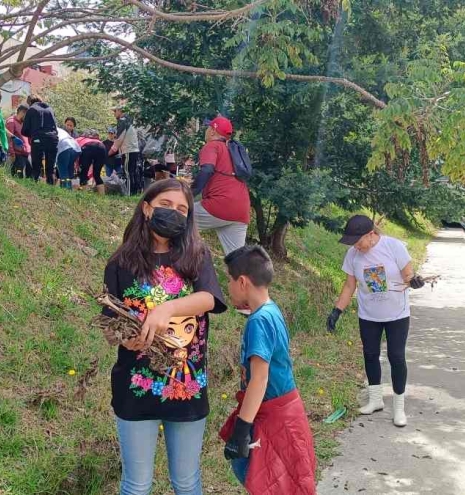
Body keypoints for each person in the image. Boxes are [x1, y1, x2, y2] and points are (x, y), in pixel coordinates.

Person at [102, 178, 226, 495]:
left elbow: (209, 299)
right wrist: (125, 339)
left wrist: (165, 309)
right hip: (135, 387)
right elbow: (110, 324)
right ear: (147, 208)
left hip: (186, 387)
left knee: (186, 482)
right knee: (136, 484)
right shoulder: (120, 263)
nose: (174, 213)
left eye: (182, 209)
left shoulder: (196, 257)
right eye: (166, 205)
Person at [220, 245, 316, 494]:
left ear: (242, 282)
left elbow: (259, 379)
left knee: (261, 478)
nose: (227, 286)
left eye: (229, 280)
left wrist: (241, 431)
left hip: (273, 417)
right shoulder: (270, 310)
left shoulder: (259, 321)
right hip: (286, 410)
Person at [327, 215, 425, 427]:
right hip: (369, 315)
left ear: (371, 234)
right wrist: (337, 310)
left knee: (396, 357)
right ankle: (375, 400)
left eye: (358, 241)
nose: (356, 246)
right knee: (370, 355)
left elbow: (408, 276)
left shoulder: (394, 247)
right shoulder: (353, 255)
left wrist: (415, 281)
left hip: (396, 315)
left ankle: (399, 408)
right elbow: (349, 286)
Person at [191, 116, 251, 256]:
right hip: (241, 210)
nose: (206, 130)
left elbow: (207, 169)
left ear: (212, 132)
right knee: (237, 261)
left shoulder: (212, 146)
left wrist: (188, 194)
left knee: (175, 217)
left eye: (208, 127)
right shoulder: (233, 151)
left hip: (220, 205)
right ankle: (243, 277)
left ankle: (164, 267)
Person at [22, 94, 59, 184]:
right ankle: (50, 185)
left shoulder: (31, 109)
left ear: (30, 102)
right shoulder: (50, 109)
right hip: (53, 138)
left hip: (38, 138)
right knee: (50, 166)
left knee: (36, 164)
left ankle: (35, 184)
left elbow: (24, 130)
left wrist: (32, 134)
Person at [109, 105, 140, 195]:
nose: (114, 114)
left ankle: (129, 193)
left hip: (128, 150)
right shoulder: (130, 121)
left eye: (115, 111)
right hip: (134, 150)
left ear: (120, 111)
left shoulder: (122, 121)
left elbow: (119, 138)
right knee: (133, 172)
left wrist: (111, 151)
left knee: (127, 173)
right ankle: (134, 192)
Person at [6, 104, 32, 178]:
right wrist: (12, 153)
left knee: (30, 175)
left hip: (26, 154)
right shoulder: (11, 121)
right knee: (19, 176)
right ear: (22, 112)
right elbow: (9, 139)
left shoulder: (23, 123)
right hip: (17, 155)